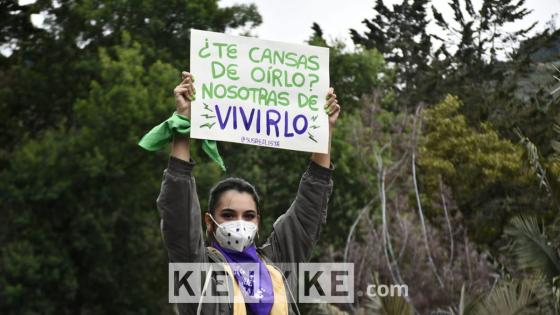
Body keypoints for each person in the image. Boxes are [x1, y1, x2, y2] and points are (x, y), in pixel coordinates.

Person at [156, 71, 341, 315]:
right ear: (210, 222)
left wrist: (322, 131)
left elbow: (309, 210)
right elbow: (178, 214)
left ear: (258, 220)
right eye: (229, 215)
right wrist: (183, 123)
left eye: (249, 215)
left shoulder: (278, 264)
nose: (240, 223)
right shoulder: (197, 269)